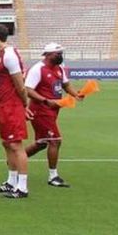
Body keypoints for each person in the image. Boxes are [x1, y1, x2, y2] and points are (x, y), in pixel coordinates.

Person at [24, 43, 82, 188]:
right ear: (48, 54)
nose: (61, 56)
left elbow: (65, 85)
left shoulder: (59, 69)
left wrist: (76, 94)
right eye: (58, 53)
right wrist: (45, 100)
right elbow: (28, 89)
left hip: (53, 110)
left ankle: (17, 159)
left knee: (42, 143)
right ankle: (53, 176)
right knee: (55, 140)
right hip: (40, 110)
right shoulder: (38, 69)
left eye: (61, 53)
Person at [0, 25, 33, 199]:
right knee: (7, 143)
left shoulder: (9, 55)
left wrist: (24, 105)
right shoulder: (3, 54)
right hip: (4, 105)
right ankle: (11, 181)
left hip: (12, 106)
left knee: (16, 145)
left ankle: (22, 187)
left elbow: (20, 85)